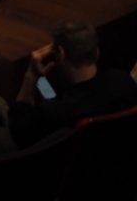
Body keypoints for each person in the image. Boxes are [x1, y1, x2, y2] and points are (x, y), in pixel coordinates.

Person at [9, 18, 137, 147]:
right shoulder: (123, 81)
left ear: (61, 54)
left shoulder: (56, 112)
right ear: (96, 52)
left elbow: (19, 131)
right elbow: (56, 99)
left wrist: (31, 77)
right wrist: (41, 81)